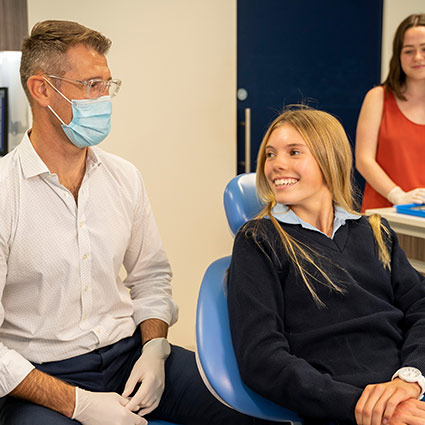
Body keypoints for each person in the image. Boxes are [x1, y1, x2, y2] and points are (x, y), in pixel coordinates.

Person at [0, 20, 255, 425]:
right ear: (42, 89)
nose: (103, 99)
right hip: (42, 377)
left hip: (128, 356)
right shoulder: (4, 193)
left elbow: (151, 275)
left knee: (244, 409)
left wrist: (154, 349)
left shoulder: (123, 178)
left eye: (107, 85)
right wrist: (79, 404)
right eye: (90, 86)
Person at [227, 106, 425, 425]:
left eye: (294, 152)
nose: (277, 164)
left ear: (329, 159)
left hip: (406, 392)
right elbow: (261, 358)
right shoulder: (259, 241)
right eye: (270, 154)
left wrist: (411, 378)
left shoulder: (374, 230)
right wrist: (363, 406)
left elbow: (421, 307)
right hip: (344, 406)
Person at [356, 13, 425, 212]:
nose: (417, 57)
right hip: (384, 214)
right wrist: (397, 195)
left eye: (424, 49)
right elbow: (363, 159)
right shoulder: (378, 97)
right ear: (398, 56)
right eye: (408, 51)